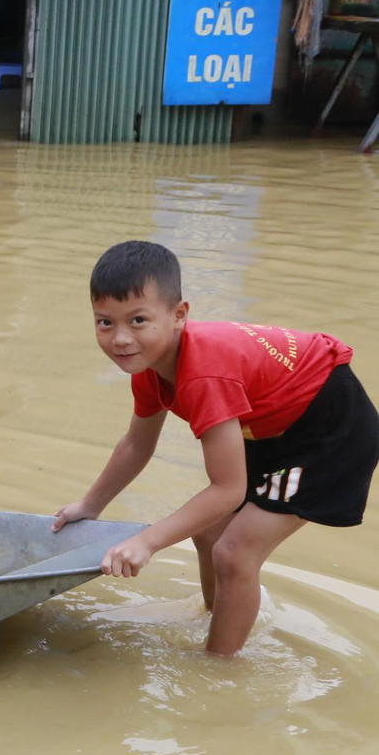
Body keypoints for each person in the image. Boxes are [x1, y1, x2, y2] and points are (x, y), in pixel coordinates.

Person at [54, 240, 379, 655]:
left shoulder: (206, 375)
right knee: (209, 530)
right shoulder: (150, 365)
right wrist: (91, 505)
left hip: (330, 428)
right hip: (271, 421)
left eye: (138, 320)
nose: (120, 339)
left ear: (179, 315)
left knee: (234, 552)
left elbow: (228, 490)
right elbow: (137, 445)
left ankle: (220, 670)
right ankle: (218, 616)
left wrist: (147, 542)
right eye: (105, 322)